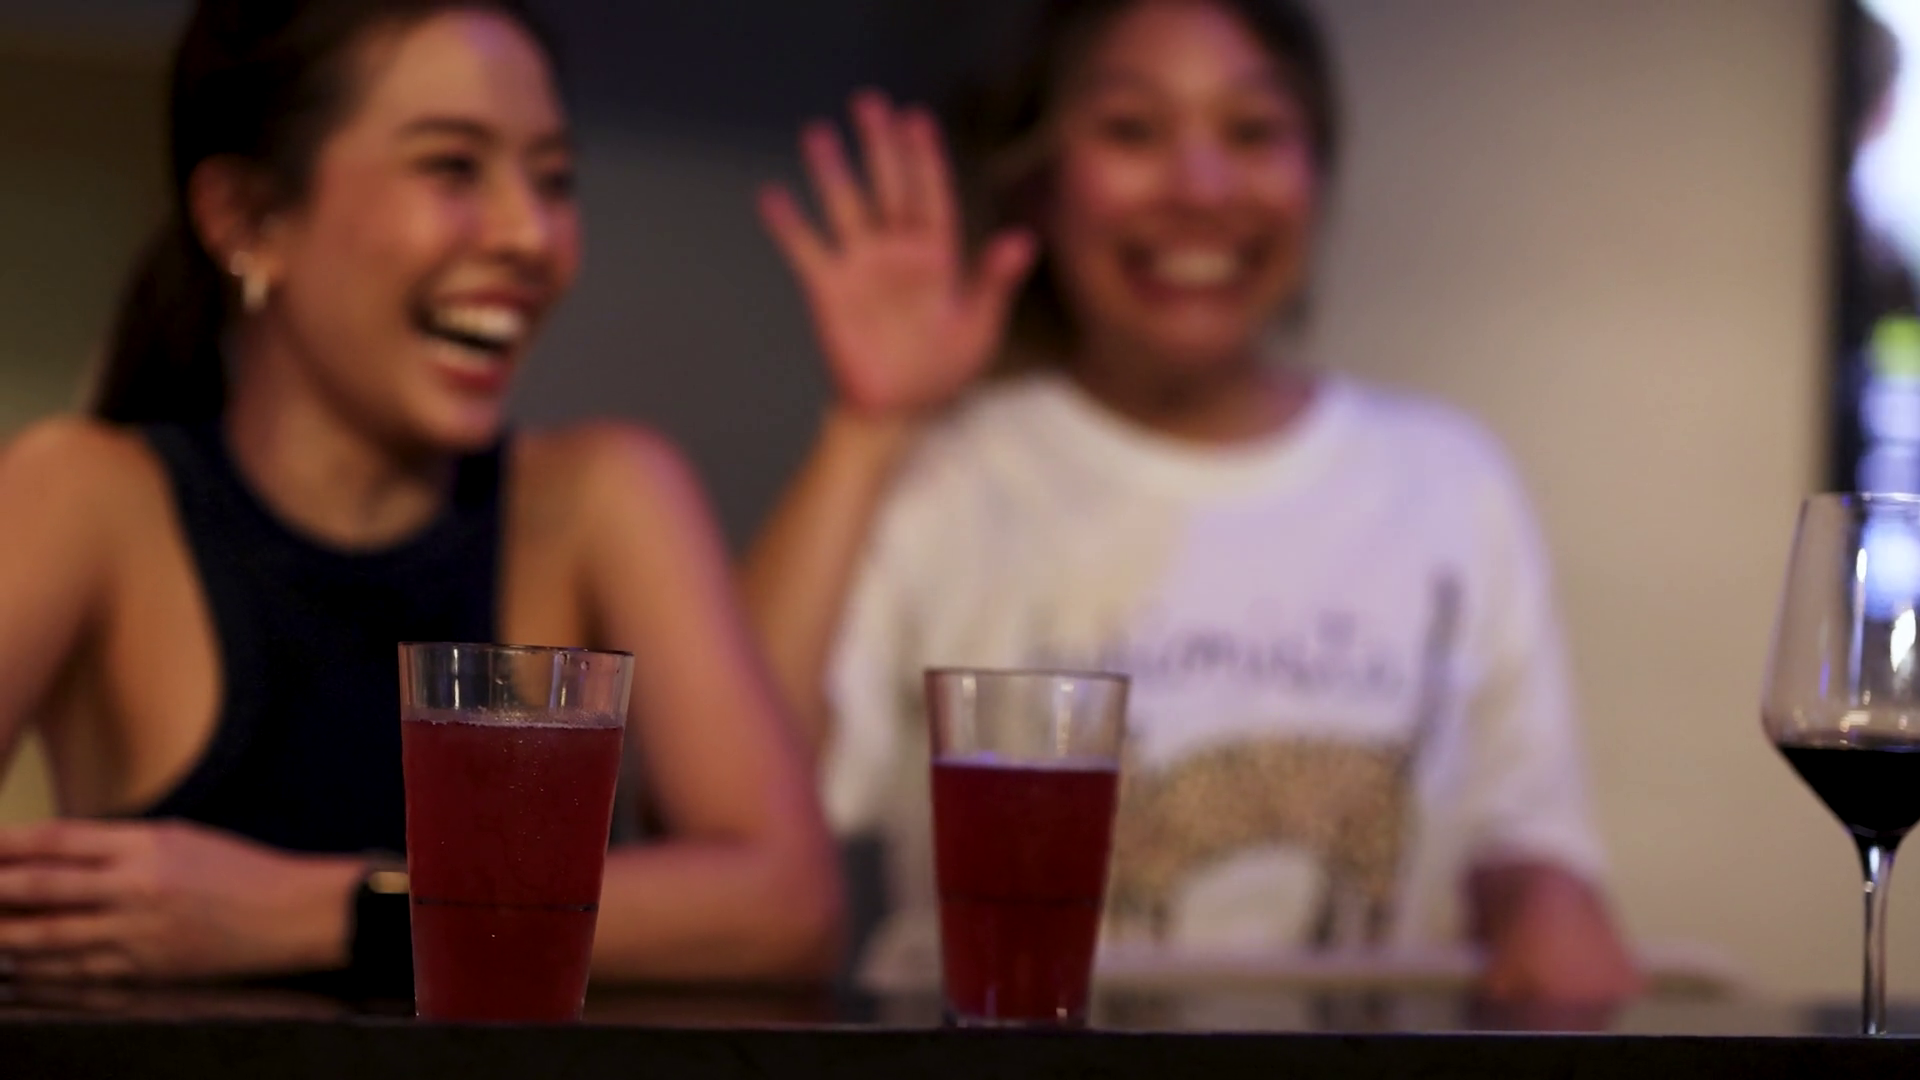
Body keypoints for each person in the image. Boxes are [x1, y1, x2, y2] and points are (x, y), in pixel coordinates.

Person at [743, 0, 1638, 1002]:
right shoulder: (951, 478)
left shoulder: (1449, 479)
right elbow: (731, 816)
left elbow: (1527, 833)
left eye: (1253, 132)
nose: (1202, 188)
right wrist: (867, 432)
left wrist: (1548, 904)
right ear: (1041, 180)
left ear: (1316, 172)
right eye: (1132, 130)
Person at [0, 0, 841, 985]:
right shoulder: (89, 493)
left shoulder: (602, 495)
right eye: (453, 167)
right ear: (247, 218)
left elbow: (786, 902)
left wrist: (323, 912)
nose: (531, 235)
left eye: (555, 180)